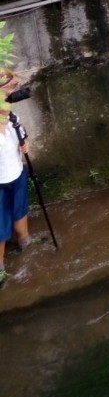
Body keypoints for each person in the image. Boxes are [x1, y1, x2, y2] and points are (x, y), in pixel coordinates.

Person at [0, 100, 30, 289]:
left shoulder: (13, 120)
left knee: (20, 217)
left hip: (17, 177)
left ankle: (25, 246)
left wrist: (25, 146)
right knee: (0, 230)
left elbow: (24, 139)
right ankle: (0, 268)